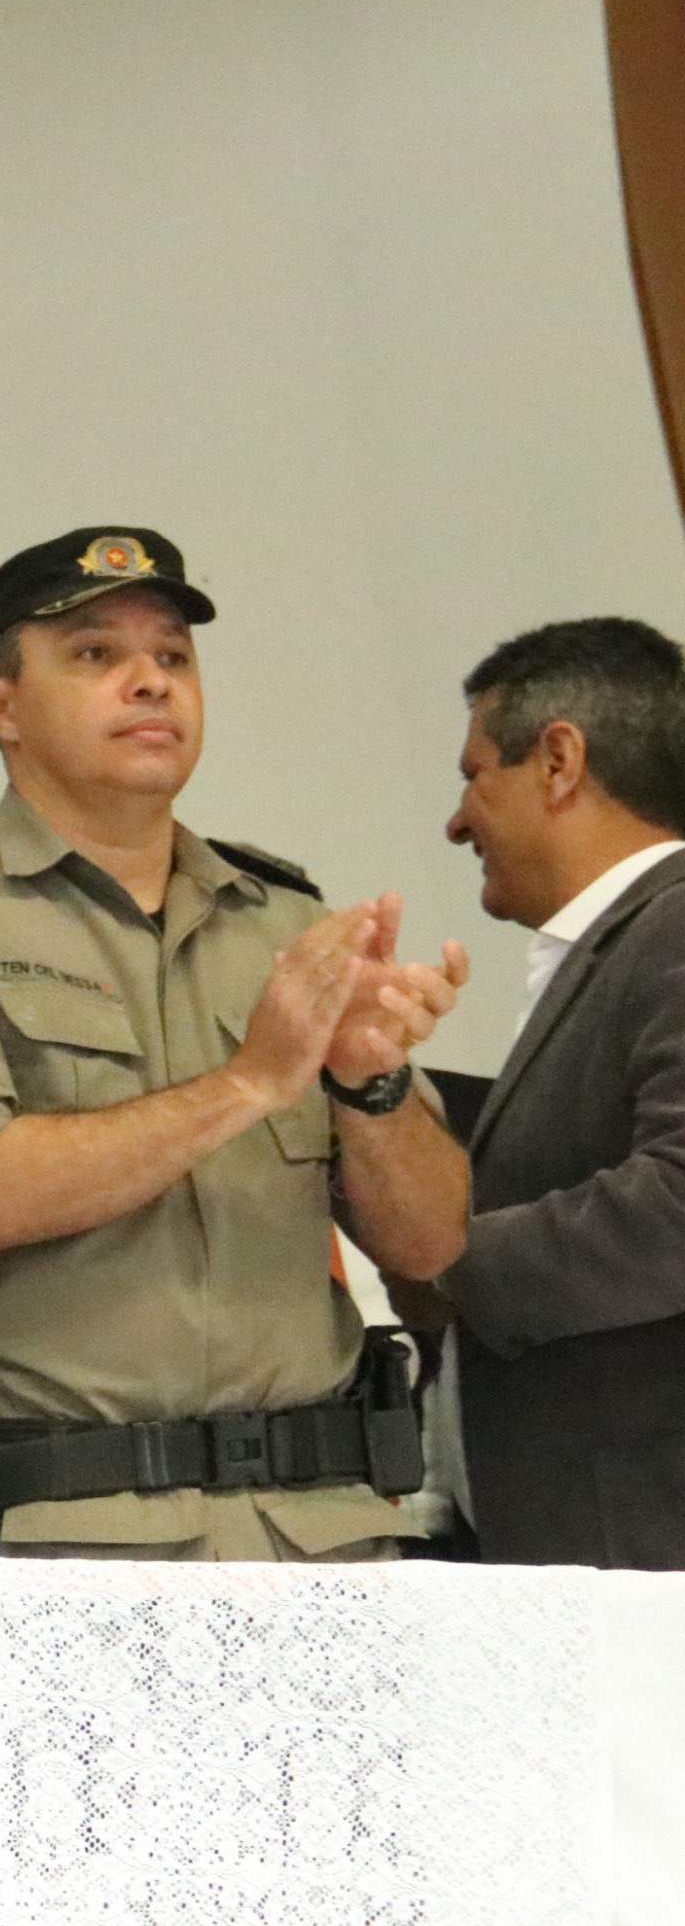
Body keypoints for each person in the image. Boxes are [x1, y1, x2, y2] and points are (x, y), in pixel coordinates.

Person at [0, 527, 469, 1561]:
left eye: (172, 656)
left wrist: (369, 1084)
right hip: (71, 1540)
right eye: (94, 654)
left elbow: (431, 1247)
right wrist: (248, 1082)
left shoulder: (283, 918)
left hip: (322, 1533)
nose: (150, 681)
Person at [380, 618, 685, 1566]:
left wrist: (445, 1257)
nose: (457, 820)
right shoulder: (622, 944)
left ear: (558, 761)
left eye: (475, 775)